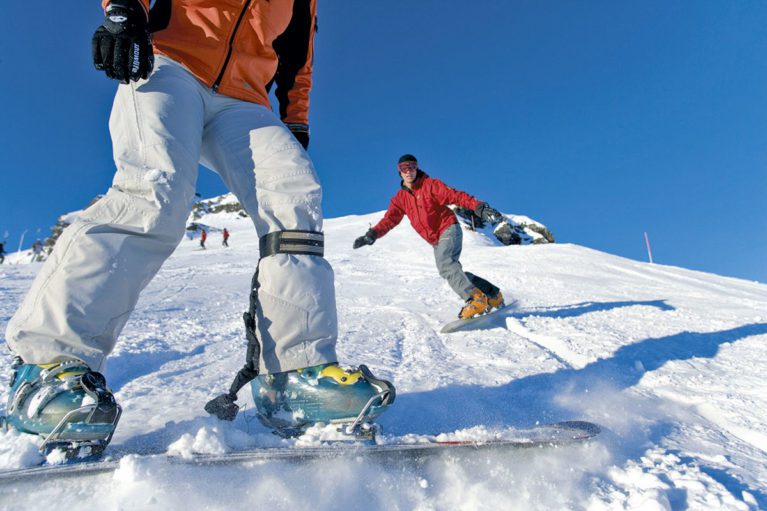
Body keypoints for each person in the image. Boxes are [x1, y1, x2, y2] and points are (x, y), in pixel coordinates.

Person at [3, 0, 393, 455]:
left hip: (245, 99)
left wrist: (295, 120)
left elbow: (296, 60)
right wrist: (124, 11)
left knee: (293, 193)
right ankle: (48, 368)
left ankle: (294, 376)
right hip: (170, 64)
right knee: (154, 191)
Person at [354, 154, 506, 320]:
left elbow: (455, 195)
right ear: (399, 172)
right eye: (404, 168)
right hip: (435, 240)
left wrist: (478, 207)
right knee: (453, 271)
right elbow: (390, 219)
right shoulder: (400, 199)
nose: (409, 171)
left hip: (448, 228)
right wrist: (373, 234)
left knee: (446, 265)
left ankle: (475, 299)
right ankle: (493, 295)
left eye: (412, 167)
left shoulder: (430, 185)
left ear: (417, 168)